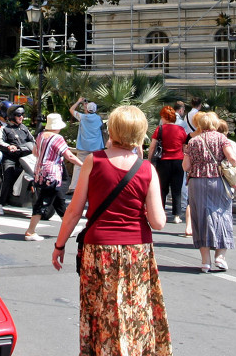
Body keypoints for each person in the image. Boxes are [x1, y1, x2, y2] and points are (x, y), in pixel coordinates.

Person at [51, 105, 171, 356]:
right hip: (136, 251)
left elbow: (74, 211)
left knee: (101, 312)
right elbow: (159, 222)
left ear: (112, 130)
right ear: (140, 133)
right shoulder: (147, 169)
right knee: (134, 311)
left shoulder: (94, 161)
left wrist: (59, 245)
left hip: (99, 250)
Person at [184, 111, 236, 272]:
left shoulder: (193, 141)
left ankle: (205, 261)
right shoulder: (221, 139)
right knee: (222, 215)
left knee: (201, 219)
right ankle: (220, 257)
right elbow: (232, 158)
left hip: (197, 182)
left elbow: (186, 166)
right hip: (218, 181)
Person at [25, 113, 84, 240]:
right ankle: (30, 231)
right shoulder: (57, 138)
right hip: (52, 175)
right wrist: (83, 165)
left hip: (40, 172)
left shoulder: (40, 135)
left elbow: (35, 152)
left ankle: (69, 227)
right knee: (43, 202)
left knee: (59, 201)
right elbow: (69, 156)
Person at [150, 105, 187, 222]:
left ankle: (161, 212)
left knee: (162, 188)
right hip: (178, 161)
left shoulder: (160, 129)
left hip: (163, 161)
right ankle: (177, 215)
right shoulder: (181, 130)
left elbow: (152, 147)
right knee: (176, 188)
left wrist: (150, 160)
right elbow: (184, 146)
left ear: (163, 117)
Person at [0, 106, 34, 214]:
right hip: (11, 158)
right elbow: (0, 141)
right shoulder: (5, 129)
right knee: (8, 177)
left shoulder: (24, 128)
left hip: (25, 158)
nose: (21, 117)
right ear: (12, 116)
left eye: (22, 115)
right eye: (18, 115)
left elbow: (33, 141)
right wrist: (9, 147)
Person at [70, 97, 105, 191]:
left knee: (78, 166)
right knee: (96, 166)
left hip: (83, 146)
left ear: (86, 110)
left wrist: (78, 101)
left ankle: (73, 186)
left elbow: (71, 110)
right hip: (96, 147)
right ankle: (96, 186)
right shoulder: (98, 118)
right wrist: (87, 108)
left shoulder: (82, 117)